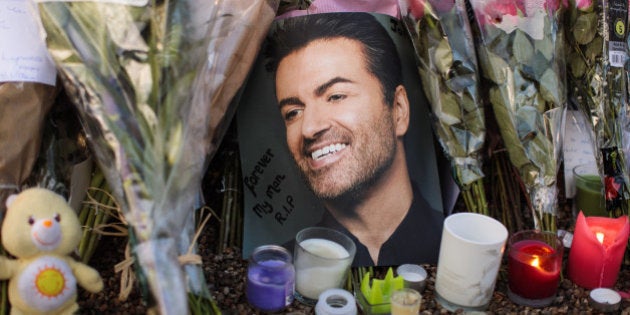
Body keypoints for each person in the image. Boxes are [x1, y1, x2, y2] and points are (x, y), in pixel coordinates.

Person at [265, 12, 444, 266]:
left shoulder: (453, 248)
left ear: (398, 110)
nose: (309, 128)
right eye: (293, 112)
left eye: (336, 96)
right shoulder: (279, 269)